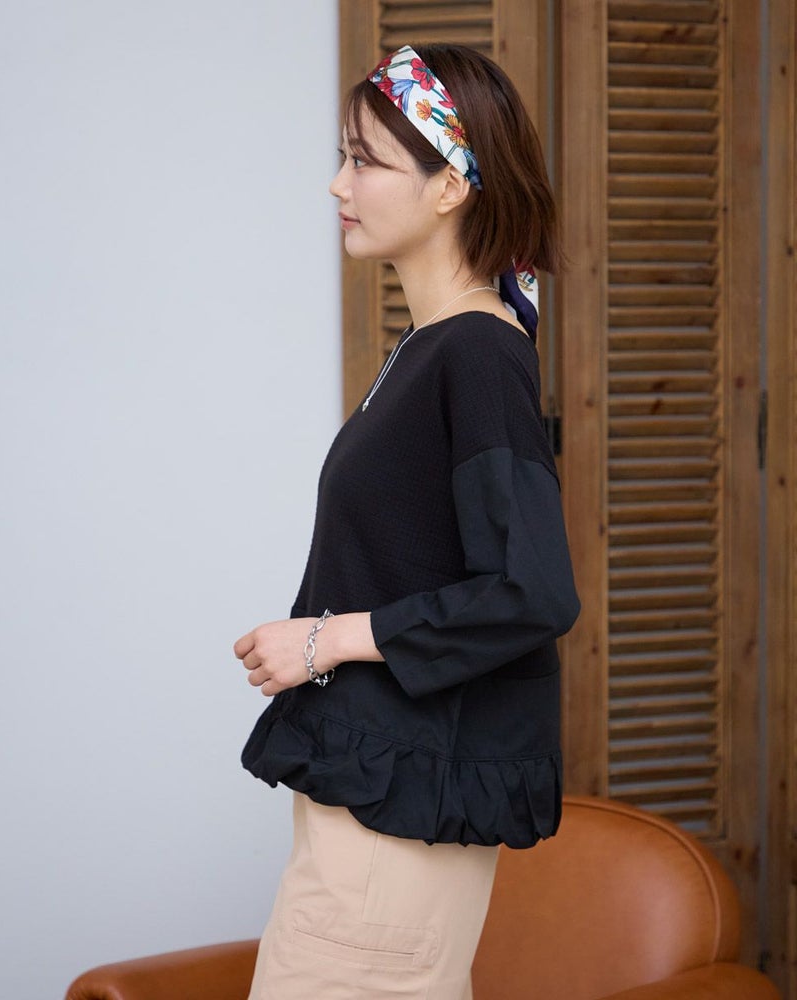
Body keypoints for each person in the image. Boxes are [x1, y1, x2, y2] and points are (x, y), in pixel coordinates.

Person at [234, 42, 580, 1000]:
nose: (337, 184)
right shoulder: (432, 347)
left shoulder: (476, 353)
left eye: (366, 160)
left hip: (395, 829)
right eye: (343, 156)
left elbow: (532, 590)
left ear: (449, 188)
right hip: (378, 805)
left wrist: (326, 638)